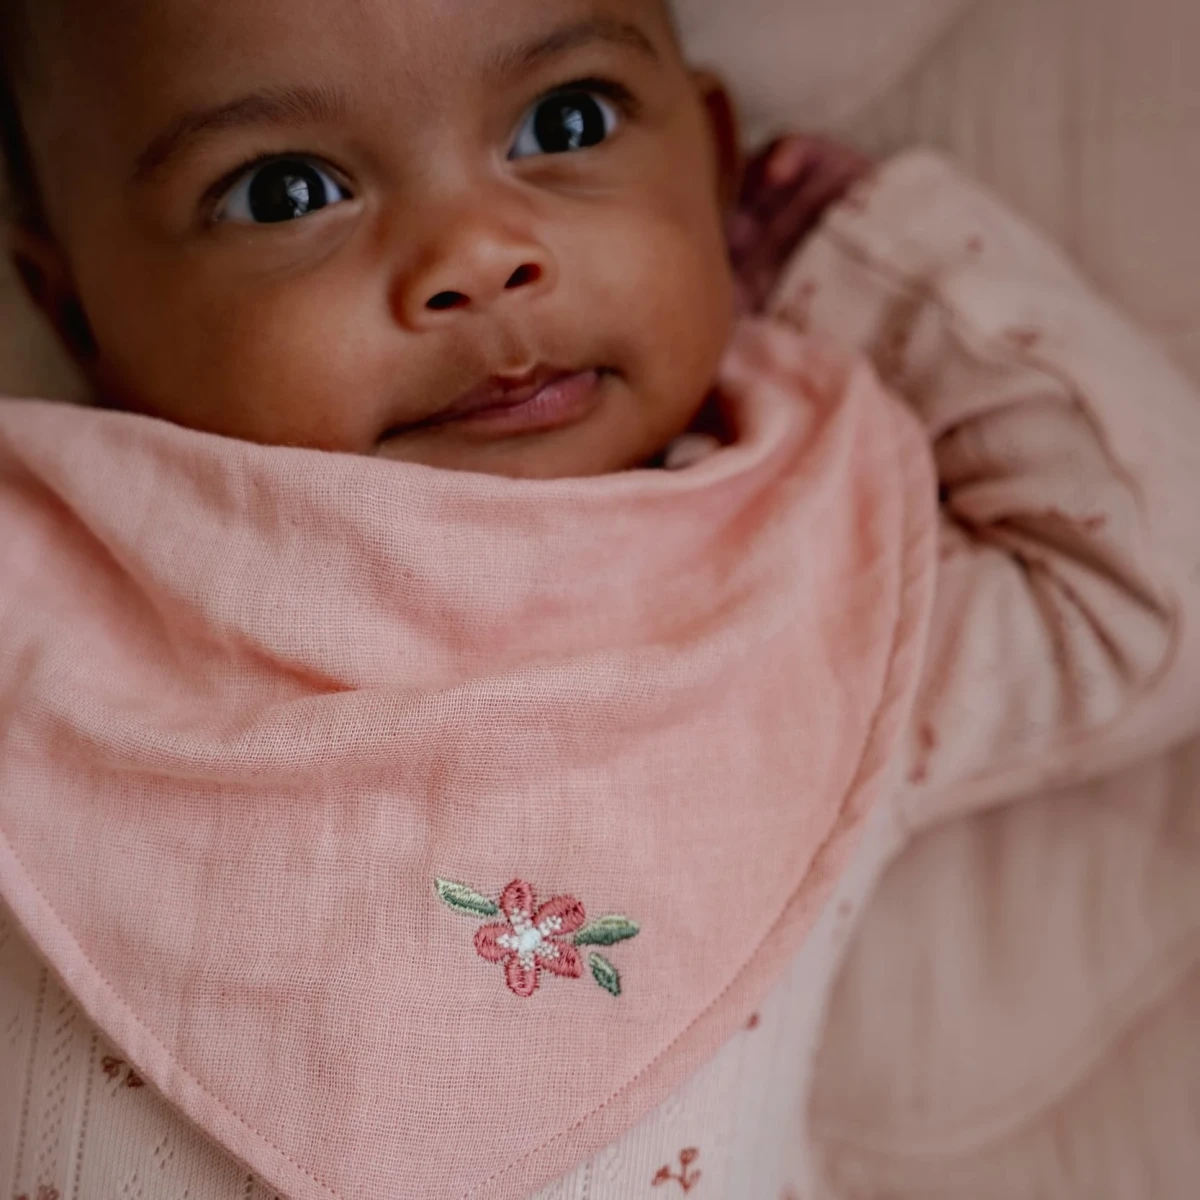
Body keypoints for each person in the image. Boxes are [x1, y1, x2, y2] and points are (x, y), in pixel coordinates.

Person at [2, 1, 1198, 1198]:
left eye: (565, 123)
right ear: (70, 305)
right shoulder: (43, 563)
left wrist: (862, 258)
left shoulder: (818, 586)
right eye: (286, 194)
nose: (478, 254)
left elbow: (1146, 586)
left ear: (712, 163)